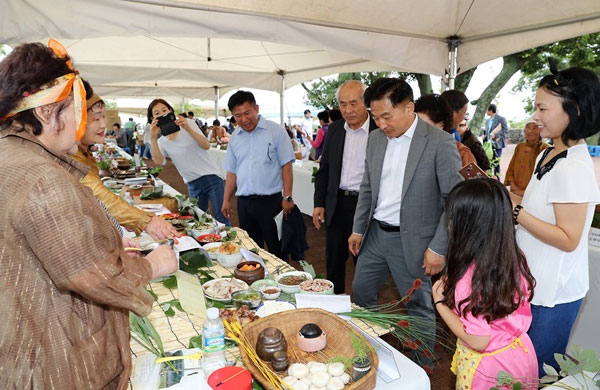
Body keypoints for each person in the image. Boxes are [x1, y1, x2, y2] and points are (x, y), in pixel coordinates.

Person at [0, 41, 177, 389]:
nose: (82, 122)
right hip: (54, 359)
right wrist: (154, 265)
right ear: (46, 112)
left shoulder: (11, 157)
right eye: (77, 109)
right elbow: (91, 274)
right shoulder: (42, 177)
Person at [349, 78, 463, 366]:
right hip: (375, 234)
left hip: (413, 240)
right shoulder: (375, 139)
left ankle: (424, 365)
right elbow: (367, 187)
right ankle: (368, 350)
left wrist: (439, 248)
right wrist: (358, 228)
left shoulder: (439, 143)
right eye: (375, 117)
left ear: (409, 107)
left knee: (418, 305)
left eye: (386, 116)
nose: (381, 123)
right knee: (361, 292)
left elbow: (454, 200)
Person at [512, 65, 600, 376]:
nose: (535, 116)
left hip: (554, 295)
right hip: (531, 284)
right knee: (520, 370)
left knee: (535, 374)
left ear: (573, 111)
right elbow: (536, 212)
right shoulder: (545, 155)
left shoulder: (574, 167)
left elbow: (568, 237)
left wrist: (517, 213)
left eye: (542, 108)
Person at [433, 178, 538, 390]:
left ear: (467, 226)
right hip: (519, 355)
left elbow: (478, 340)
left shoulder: (469, 279)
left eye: (453, 218)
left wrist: (440, 303)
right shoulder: (513, 257)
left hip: (489, 370)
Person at [69, 92, 180, 239]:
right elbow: (97, 194)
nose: (104, 124)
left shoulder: (83, 151)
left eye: (104, 117)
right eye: (96, 118)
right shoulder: (72, 156)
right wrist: (145, 221)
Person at [313, 80, 377, 294]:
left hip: (366, 206)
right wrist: (319, 203)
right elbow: (325, 170)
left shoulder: (379, 130)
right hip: (337, 203)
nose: (348, 110)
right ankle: (334, 308)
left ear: (365, 102)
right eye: (342, 104)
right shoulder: (335, 130)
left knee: (365, 264)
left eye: (353, 103)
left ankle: (368, 314)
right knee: (334, 261)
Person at [222, 90, 295, 258]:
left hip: (271, 203)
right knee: (251, 251)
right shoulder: (235, 138)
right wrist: (226, 199)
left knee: (278, 249)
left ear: (256, 108)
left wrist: (288, 196)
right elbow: (232, 171)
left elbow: (287, 166)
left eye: (247, 113)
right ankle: (258, 284)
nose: (244, 119)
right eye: (238, 115)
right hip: (245, 204)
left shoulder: (276, 131)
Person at [148, 98, 230, 225]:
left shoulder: (188, 123)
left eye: (164, 110)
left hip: (211, 176)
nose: (162, 114)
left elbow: (206, 145)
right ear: (153, 119)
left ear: (171, 111)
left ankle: (231, 244)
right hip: (192, 183)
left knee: (221, 217)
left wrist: (188, 128)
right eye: (157, 113)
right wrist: (153, 138)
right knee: (197, 221)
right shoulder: (161, 141)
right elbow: (159, 161)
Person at [414, 94, 476, 167]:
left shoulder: (462, 153)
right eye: (414, 123)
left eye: (422, 125)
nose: (416, 129)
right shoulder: (408, 146)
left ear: (441, 125)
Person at [504, 117, 550, 196]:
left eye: (535, 128)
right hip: (515, 192)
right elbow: (511, 169)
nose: (530, 131)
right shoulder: (519, 147)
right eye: (527, 127)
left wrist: (525, 193)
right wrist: (514, 187)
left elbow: (544, 177)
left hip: (533, 194)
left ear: (541, 130)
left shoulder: (546, 149)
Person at [484, 104, 509, 178]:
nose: (486, 112)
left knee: (496, 162)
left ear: (491, 110)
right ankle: (489, 177)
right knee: (487, 161)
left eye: (487, 110)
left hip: (497, 144)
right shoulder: (487, 120)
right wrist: (484, 136)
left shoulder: (501, 119)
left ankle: (497, 179)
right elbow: (487, 131)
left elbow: (505, 130)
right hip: (488, 144)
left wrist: (496, 135)